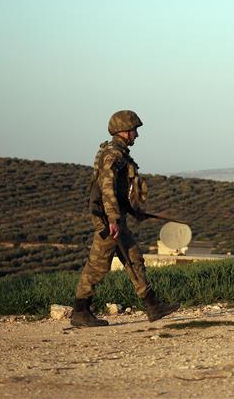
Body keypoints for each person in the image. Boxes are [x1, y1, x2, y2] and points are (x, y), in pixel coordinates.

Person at [70, 110, 179, 326]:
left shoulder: (119, 154)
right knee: (98, 266)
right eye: (134, 130)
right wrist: (112, 219)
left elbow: (121, 192)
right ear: (124, 131)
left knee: (133, 260)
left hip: (116, 219)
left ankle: (152, 306)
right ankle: (81, 312)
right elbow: (107, 189)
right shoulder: (114, 155)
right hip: (110, 222)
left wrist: (133, 211)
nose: (136, 135)